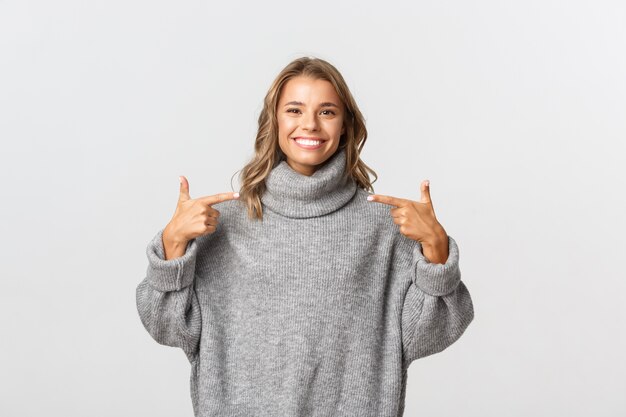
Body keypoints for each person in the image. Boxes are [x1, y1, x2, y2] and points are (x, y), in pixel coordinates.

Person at [135, 56, 474, 417]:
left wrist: (436, 251)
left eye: (327, 112)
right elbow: (168, 328)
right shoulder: (221, 224)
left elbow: (429, 336)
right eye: (294, 110)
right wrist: (172, 247)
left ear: (346, 125)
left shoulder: (386, 228)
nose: (309, 124)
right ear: (275, 121)